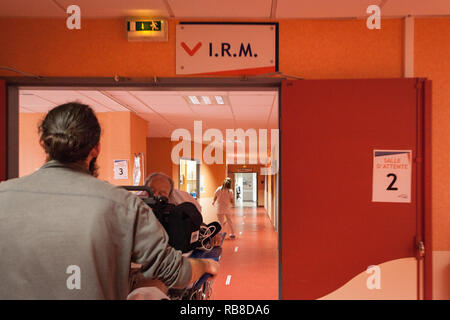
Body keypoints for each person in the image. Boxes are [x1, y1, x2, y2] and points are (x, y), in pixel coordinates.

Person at [0, 102, 218, 299]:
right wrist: (204, 263)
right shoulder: (123, 205)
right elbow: (173, 272)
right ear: (96, 148)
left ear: (42, 142)